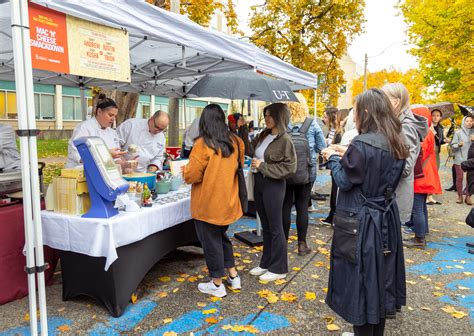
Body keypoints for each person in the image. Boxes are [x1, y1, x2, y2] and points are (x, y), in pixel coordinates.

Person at [322, 88, 409, 336]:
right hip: (386, 218)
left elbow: (345, 181)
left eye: (357, 110)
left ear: (367, 111)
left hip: (361, 222)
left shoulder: (362, 144)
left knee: (360, 283)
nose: (354, 116)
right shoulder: (396, 140)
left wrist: (332, 159)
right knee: (380, 282)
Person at [182, 104, 244, 298]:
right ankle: (233, 276)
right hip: (229, 201)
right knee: (221, 238)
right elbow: (239, 166)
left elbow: (192, 175)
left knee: (211, 243)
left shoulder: (203, 144)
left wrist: (184, 171)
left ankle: (217, 283)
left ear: (204, 122)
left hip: (208, 203)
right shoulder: (236, 141)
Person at [248, 103, 297, 282]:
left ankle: (279, 267)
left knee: (276, 227)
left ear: (279, 116)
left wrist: (263, 166)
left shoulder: (285, 140)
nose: (267, 119)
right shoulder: (264, 135)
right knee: (267, 227)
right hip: (259, 183)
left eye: (270, 115)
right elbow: (248, 149)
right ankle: (266, 262)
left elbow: (290, 168)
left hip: (274, 185)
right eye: (265, 115)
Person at [381, 83, 428, 227]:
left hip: (395, 199)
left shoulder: (406, 127)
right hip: (390, 197)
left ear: (395, 102)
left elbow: (406, 167)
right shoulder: (397, 123)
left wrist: (375, 160)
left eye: (383, 99)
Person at [283, 110, 326, 256]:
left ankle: (282, 244)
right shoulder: (312, 123)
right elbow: (322, 146)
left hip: (286, 172)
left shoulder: (283, 124)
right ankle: (302, 245)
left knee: (285, 206)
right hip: (307, 173)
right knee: (302, 207)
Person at [404, 106, 442, 249]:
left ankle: (419, 238)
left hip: (421, 177)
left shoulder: (423, 134)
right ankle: (423, 230)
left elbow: (419, 155)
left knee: (417, 208)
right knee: (422, 207)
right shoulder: (429, 132)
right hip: (427, 175)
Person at [66, 94, 123, 168]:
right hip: (79, 172)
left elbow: (116, 159)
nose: (113, 119)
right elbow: (78, 156)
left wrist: (125, 165)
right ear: (99, 111)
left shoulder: (112, 132)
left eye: (115, 116)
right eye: (110, 115)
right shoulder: (84, 128)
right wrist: (106, 154)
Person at [321, 107, 342, 226]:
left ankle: (333, 216)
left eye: (325, 116)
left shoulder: (339, 131)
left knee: (335, 190)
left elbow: (336, 145)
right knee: (334, 190)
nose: (323, 119)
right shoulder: (332, 130)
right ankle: (331, 215)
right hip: (333, 162)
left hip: (337, 162)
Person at [451, 115, 473, 204]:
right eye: (467, 121)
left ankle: (468, 196)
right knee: (459, 178)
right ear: (464, 122)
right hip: (460, 158)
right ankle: (460, 196)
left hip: (471, 160)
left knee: (470, 179)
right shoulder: (458, 132)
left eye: (471, 121)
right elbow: (452, 145)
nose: (469, 123)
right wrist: (458, 145)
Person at [427, 109, 446, 204]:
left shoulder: (441, 128)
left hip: (436, 153)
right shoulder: (427, 126)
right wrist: (431, 132)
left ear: (440, 117)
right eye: (433, 115)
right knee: (428, 173)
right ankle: (426, 195)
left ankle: (430, 195)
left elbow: (440, 141)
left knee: (434, 173)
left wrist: (445, 140)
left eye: (438, 115)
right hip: (428, 153)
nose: (435, 117)